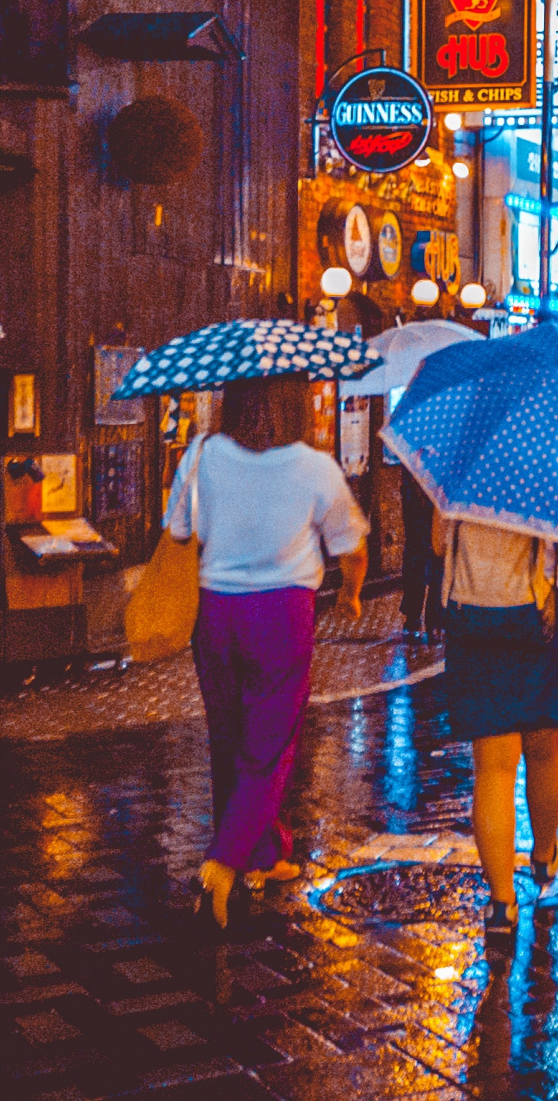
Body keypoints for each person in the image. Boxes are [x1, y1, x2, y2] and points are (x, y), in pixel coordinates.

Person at [162, 373, 365, 929]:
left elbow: (178, 528)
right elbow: (351, 545)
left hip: (216, 612)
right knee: (269, 745)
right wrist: (349, 592)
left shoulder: (203, 453)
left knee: (228, 735)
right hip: (281, 614)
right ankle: (223, 865)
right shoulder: (314, 465)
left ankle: (262, 852)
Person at [437, 508, 558, 933]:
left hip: (474, 617)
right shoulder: (547, 456)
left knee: (493, 766)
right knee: (543, 750)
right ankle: (543, 856)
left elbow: (436, 542)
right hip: (543, 616)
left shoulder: (460, 458)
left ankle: (501, 904)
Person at [395, 458, 447, 640]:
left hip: (423, 495)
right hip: (427, 496)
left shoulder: (418, 438)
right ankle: (429, 620)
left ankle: (421, 618)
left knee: (427, 555)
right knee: (430, 556)